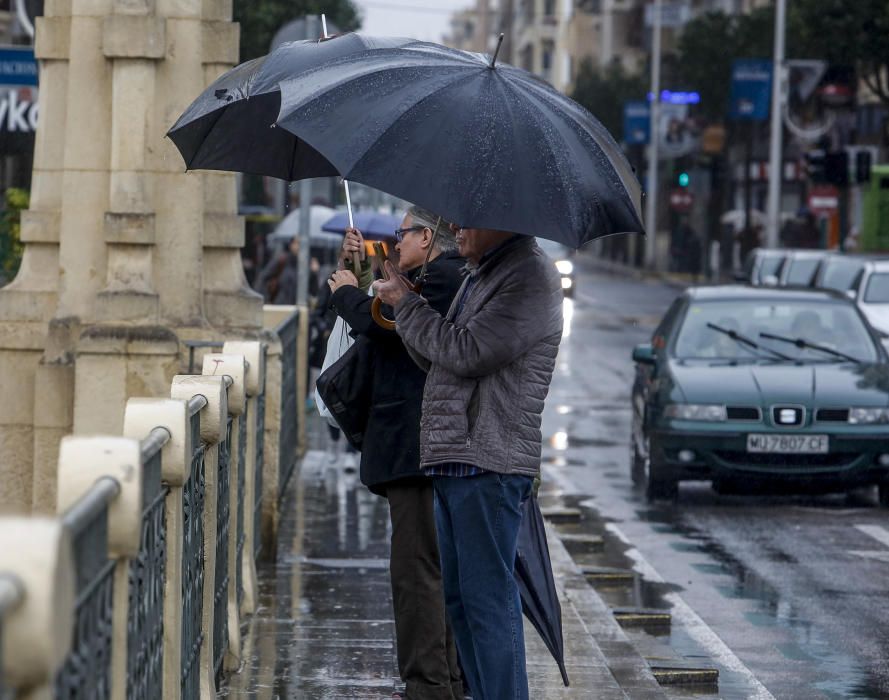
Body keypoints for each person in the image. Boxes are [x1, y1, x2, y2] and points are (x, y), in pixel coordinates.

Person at [375, 225, 564, 700]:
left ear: (501, 221)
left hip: (489, 460)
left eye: (468, 220)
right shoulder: (482, 274)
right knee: (460, 604)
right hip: (456, 458)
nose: (456, 229)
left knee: (488, 605)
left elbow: (468, 351)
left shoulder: (527, 276)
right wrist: (406, 307)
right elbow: (439, 358)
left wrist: (409, 306)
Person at [327, 205, 466, 700]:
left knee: (418, 574)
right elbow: (386, 296)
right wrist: (361, 266)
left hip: (419, 448)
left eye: (403, 234)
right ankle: (442, 679)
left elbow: (383, 320)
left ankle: (430, 686)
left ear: (428, 237)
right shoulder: (432, 275)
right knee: (429, 569)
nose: (397, 241)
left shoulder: (445, 279)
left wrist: (345, 292)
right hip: (418, 447)